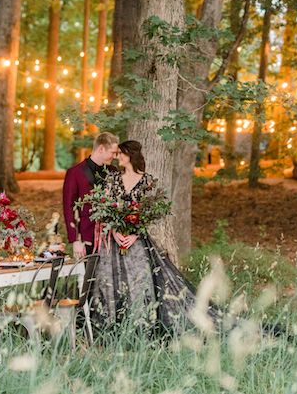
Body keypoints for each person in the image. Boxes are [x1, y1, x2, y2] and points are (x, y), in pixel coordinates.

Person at [91, 140, 220, 334]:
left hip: (136, 240)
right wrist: (116, 232)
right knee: (109, 279)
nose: (118, 157)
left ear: (131, 155)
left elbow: (150, 213)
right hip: (115, 239)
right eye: (117, 154)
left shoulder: (147, 181)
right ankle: (111, 325)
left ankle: (139, 324)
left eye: (121, 154)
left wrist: (134, 234)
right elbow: (106, 208)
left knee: (139, 280)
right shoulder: (112, 179)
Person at [63, 132, 119, 259]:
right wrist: (75, 240)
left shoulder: (114, 172)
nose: (115, 156)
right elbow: (69, 208)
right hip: (86, 237)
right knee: (88, 277)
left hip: (111, 237)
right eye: (112, 152)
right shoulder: (74, 173)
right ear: (101, 149)